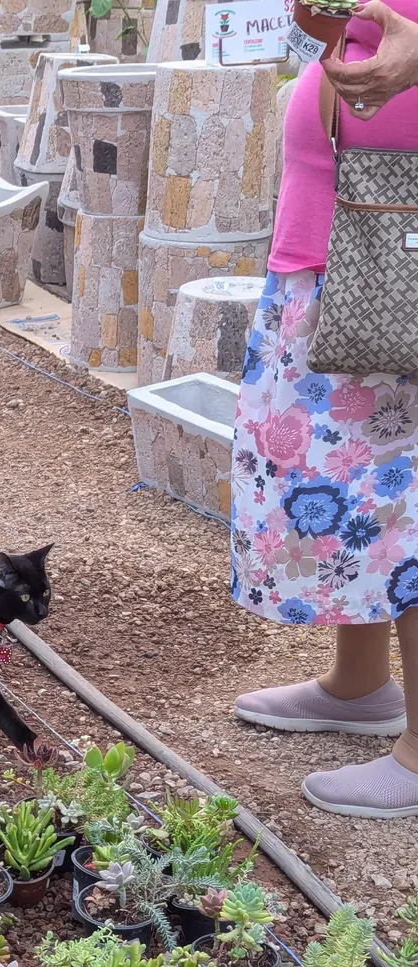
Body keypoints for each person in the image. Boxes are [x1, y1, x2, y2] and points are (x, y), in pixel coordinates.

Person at [230, 0, 418, 817]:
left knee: (406, 500)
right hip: (336, 256)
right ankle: (360, 685)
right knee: (358, 494)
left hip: (395, 265)